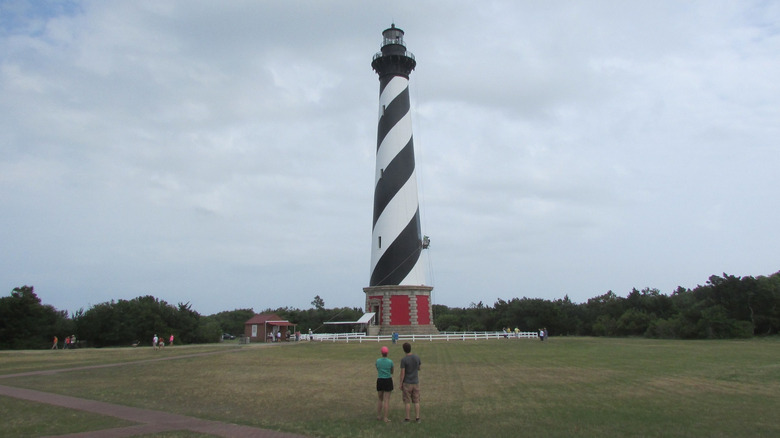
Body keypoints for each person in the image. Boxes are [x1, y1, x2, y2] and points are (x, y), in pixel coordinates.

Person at [399, 342, 422, 423]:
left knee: (407, 401)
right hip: (415, 382)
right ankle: (417, 418)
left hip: (407, 382)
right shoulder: (416, 357)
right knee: (416, 401)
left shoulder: (404, 360)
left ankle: (407, 418)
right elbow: (419, 367)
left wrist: (400, 383)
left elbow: (402, 373)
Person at [375, 345, 394, 423]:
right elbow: (392, 371)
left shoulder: (378, 361)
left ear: (381, 353)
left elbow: (377, 368)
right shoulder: (390, 362)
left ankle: (379, 415)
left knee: (380, 399)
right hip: (387, 380)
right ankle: (385, 418)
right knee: (386, 400)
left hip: (380, 380)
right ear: (387, 353)